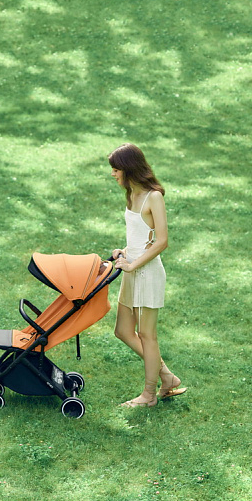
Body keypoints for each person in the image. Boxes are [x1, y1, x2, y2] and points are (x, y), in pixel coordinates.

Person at [108, 143, 187, 407]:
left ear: (128, 168)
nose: (112, 174)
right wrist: (125, 251)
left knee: (146, 335)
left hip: (147, 273)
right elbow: (141, 235)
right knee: (122, 330)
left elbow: (161, 241)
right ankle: (167, 376)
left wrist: (133, 264)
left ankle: (149, 395)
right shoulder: (132, 194)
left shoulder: (154, 197)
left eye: (116, 169)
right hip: (131, 267)